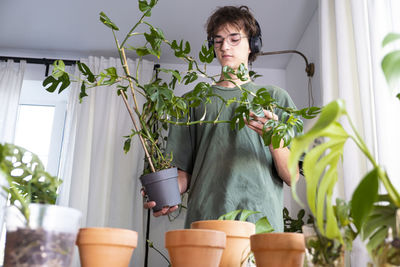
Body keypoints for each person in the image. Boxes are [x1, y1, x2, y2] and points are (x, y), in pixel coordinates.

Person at [143, 5, 300, 232]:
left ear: (252, 45)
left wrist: (276, 142)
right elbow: (183, 174)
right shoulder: (192, 102)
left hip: (260, 225)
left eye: (234, 39)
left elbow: (292, 176)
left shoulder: (276, 98)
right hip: (205, 220)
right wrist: (162, 192)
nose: (225, 46)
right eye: (218, 40)